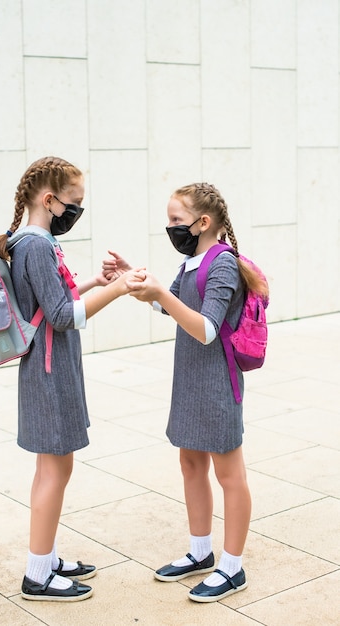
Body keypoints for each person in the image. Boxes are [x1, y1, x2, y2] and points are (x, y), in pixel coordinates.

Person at [103, 182, 268, 603]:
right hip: (189, 381)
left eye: (177, 220)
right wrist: (136, 283)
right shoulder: (192, 261)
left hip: (216, 384)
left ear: (203, 222)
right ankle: (200, 552)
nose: (171, 227)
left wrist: (161, 293)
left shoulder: (223, 264)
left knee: (230, 475)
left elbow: (207, 329)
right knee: (191, 464)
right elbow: (170, 306)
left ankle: (232, 568)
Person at [0, 156, 144, 602]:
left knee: (51, 468)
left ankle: (47, 556)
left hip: (48, 368)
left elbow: (51, 302)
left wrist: (96, 280)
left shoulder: (28, 241)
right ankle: (38, 574)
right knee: (55, 470)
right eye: (74, 203)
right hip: (49, 371)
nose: (76, 212)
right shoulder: (37, 246)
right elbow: (59, 315)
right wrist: (118, 289)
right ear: (50, 199)